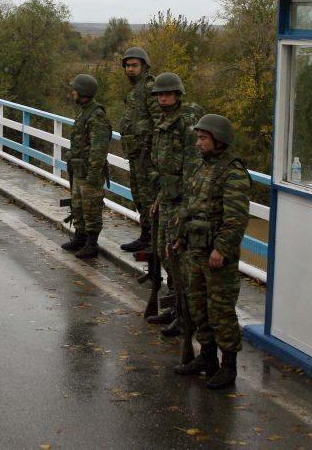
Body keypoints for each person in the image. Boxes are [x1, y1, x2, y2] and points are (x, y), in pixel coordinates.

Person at [171, 114, 250, 389]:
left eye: (203, 138)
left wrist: (222, 249)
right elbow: (190, 205)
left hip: (216, 256)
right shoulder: (201, 168)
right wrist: (180, 237)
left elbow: (236, 218)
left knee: (221, 311)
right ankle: (207, 357)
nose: (198, 143)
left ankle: (228, 366)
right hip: (194, 249)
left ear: (218, 140)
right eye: (198, 137)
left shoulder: (232, 172)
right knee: (198, 307)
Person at [147, 72, 203, 335]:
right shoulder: (164, 121)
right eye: (160, 94)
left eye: (168, 93)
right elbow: (164, 166)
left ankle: (185, 315)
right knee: (164, 252)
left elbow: (192, 168)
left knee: (178, 257)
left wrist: (185, 209)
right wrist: (159, 198)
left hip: (182, 199)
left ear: (178, 94)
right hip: (167, 196)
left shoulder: (186, 123)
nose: (163, 97)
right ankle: (175, 305)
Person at [60, 74, 112, 259]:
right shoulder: (84, 111)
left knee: (91, 208)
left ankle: (92, 243)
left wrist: (93, 174)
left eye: (75, 89)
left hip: (89, 172)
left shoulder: (96, 115)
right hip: (79, 170)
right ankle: (80, 238)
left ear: (83, 92)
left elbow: (99, 149)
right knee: (78, 206)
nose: (72, 92)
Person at [118, 47, 160, 254]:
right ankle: (146, 236)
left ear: (144, 66)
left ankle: (153, 240)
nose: (130, 69)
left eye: (134, 65)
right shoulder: (136, 89)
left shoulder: (150, 87)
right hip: (136, 154)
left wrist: (155, 151)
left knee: (149, 197)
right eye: (127, 65)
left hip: (147, 155)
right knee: (139, 195)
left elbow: (160, 121)